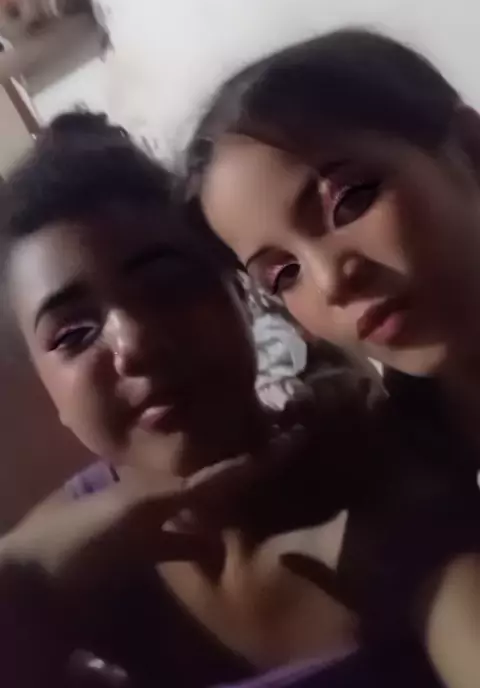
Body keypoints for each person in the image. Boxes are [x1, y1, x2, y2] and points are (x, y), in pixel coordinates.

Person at [0, 110, 401, 687]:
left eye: (165, 285)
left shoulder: (384, 474)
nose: (134, 344)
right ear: (48, 389)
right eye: (73, 334)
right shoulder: (59, 563)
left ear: (241, 293)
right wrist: (26, 577)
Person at [184, 28, 480, 686]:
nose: (330, 280)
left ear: (470, 148)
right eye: (282, 274)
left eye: (349, 200)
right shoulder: (403, 463)